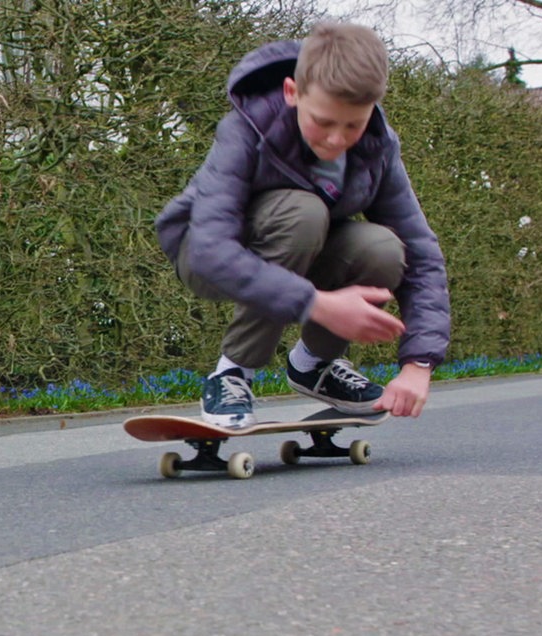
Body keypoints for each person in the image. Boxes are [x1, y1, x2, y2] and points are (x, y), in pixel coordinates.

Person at [155, 21, 450, 428]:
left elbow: (420, 251)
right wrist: (318, 303)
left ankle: (315, 365)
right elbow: (210, 249)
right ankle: (233, 372)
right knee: (303, 213)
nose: (336, 139)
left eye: (353, 125)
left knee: (383, 247)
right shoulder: (246, 129)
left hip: (302, 249)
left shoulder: (378, 146)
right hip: (207, 252)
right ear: (293, 92)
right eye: (324, 121)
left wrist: (420, 362)